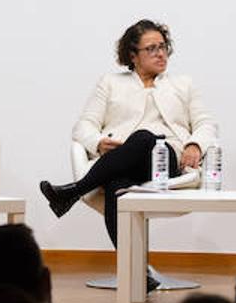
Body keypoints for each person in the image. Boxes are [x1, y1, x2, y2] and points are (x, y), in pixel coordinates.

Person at [38, 19, 218, 289]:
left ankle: (73, 191)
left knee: (146, 137)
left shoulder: (183, 84)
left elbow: (206, 123)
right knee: (115, 187)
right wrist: (98, 142)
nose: (160, 53)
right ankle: (137, 273)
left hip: (166, 160)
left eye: (163, 47)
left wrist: (194, 145)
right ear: (133, 56)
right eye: (152, 48)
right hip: (121, 163)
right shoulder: (110, 83)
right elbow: (83, 126)